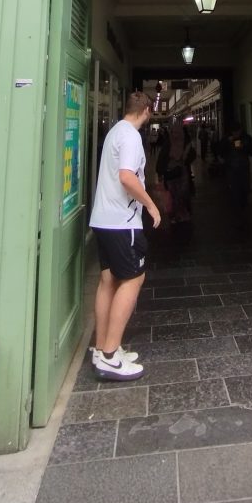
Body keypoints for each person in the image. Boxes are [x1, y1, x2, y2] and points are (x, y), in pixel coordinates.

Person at [89, 90, 161, 381]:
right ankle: (109, 356)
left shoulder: (115, 131)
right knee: (133, 278)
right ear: (145, 110)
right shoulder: (131, 136)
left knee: (108, 280)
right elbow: (127, 176)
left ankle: (103, 347)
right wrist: (151, 205)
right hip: (122, 221)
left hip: (103, 219)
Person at [157, 121, 195, 223]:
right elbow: (162, 158)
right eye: (173, 132)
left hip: (181, 173)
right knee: (174, 194)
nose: (175, 134)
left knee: (181, 194)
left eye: (176, 132)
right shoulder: (169, 143)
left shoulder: (185, 143)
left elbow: (192, 155)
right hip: (171, 173)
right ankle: (178, 215)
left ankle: (181, 214)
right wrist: (160, 172)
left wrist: (185, 159)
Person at [218, 121, 252, 219]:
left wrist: (244, 147)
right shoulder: (227, 139)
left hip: (243, 168)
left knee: (244, 190)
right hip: (232, 169)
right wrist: (227, 142)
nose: (236, 134)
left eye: (237, 132)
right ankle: (238, 213)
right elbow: (220, 150)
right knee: (235, 191)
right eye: (234, 132)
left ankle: (241, 208)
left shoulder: (246, 138)